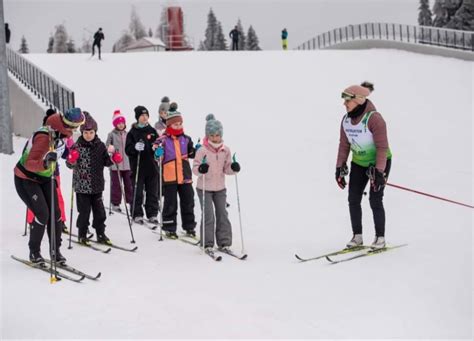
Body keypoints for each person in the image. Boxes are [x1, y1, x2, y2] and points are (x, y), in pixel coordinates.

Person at [14, 108, 85, 263]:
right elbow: (29, 163)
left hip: (46, 178)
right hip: (27, 178)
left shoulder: (61, 135)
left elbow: (63, 152)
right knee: (42, 214)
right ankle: (34, 252)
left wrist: (71, 158)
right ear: (67, 125)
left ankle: (55, 251)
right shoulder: (44, 136)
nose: (76, 130)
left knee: (56, 214)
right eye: (75, 126)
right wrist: (45, 163)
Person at [335, 81, 392, 249]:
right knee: (353, 198)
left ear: (358, 100)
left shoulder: (375, 119)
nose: (344, 104)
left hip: (379, 163)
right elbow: (344, 145)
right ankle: (357, 236)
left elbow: (382, 148)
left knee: (375, 199)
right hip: (358, 163)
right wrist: (339, 167)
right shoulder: (345, 120)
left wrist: (379, 172)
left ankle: (380, 238)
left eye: (347, 100)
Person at [66, 112, 122, 246]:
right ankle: (82, 234)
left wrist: (114, 158)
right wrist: (72, 159)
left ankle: (100, 233)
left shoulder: (100, 146)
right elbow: (69, 164)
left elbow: (107, 162)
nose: (88, 135)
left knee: (100, 213)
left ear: (95, 132)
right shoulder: (77, 146)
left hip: (97, 185)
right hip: (82, 186)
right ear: (82, 133)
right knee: (84, 212)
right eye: (85, 132)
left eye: (91, 132)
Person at [192, 114, 240, 251]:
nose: (215, 138)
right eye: (212, 135)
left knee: (222, 214)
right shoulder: (202, 150)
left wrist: (233, 168)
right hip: (204, 188)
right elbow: (195, 169)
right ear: (207, 135)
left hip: (220, 188)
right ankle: (207, 243)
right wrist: (201, 168)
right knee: (208, 215)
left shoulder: (226, 150)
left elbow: (227, 168)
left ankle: (224, 242)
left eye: (218, 135)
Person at [154, 102, 196, 239]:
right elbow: (156, 154)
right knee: (170, 203)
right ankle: (169, 227)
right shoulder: (163, 140)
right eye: (175, 124)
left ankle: (189, 226)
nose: (179, 126)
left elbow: (192, 153)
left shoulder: (186, 139)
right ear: (169, 125)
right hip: (170, 176)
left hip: (185, 175)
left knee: (188, 201)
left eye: (180, 124)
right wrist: (158, 153)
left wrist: (196, 150)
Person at [26, 108, 70, 233]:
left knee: (57, 197)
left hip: (53, 173)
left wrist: (71, 153)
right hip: (37, 173)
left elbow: (66, 153)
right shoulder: (40, 136)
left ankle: (60, 221)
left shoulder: (59, 138)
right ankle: (32, 221)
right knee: (36, 198)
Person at [125, 105, 160, 224]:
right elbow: (127, 149)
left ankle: (152, 213)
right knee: (137, 191)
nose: (145, 118)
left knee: (152, 192)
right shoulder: (132, 132)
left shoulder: (153, 131)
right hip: (138, 167)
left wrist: (158, 149)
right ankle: (137, 213)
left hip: (152, 167)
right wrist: (135, 148)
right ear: (137, 117)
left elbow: (158, 144)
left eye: (146, 115)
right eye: (142, 115)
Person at [106, 110, 133, 213]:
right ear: (115, 124)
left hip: (127, 164)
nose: (121, 125)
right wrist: (110, 148)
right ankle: (115, 202)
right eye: (118, 123)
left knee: (129, 184)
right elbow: (107, 145)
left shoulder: (128, 134)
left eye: (122, 123)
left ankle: (131, 202)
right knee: (116, 185)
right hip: (115, 165)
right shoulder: (111, 134)